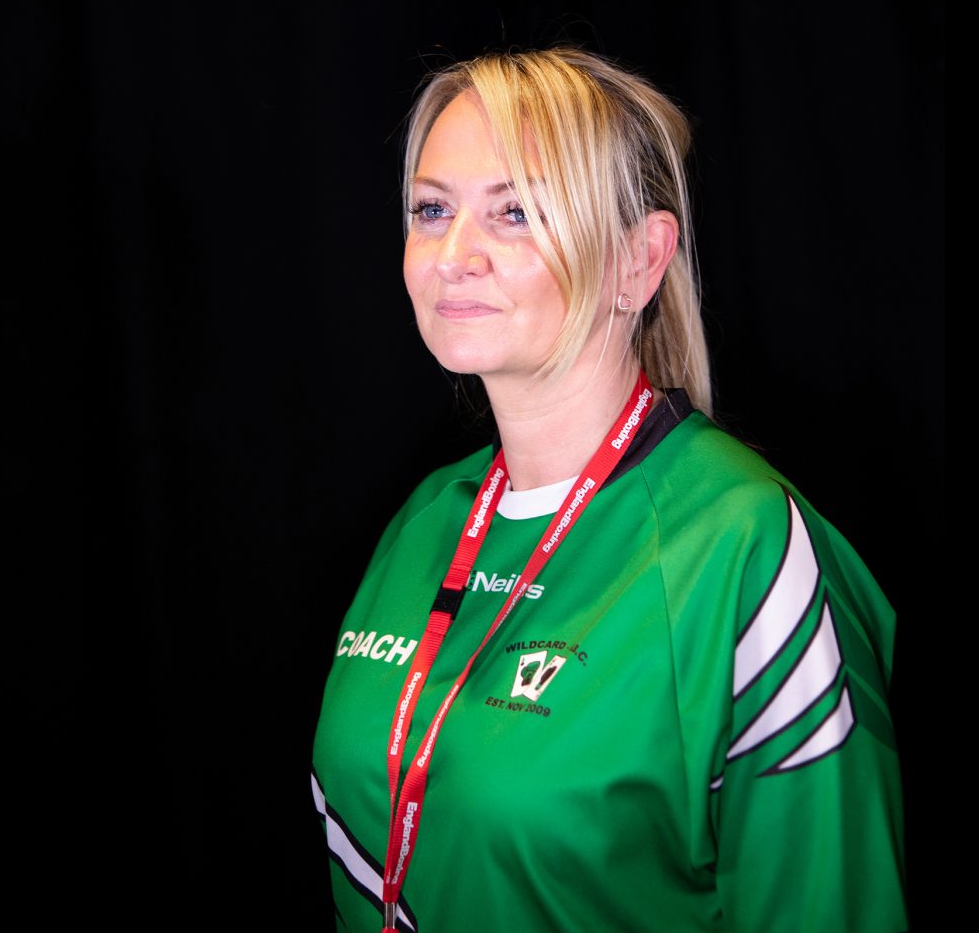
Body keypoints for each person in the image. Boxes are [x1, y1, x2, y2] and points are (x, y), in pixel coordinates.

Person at [310, 48, 905, 932]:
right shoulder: (427, 520)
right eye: (431, 209)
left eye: (514, 213)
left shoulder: (745, 548)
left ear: (639, 259)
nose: (452, 255)